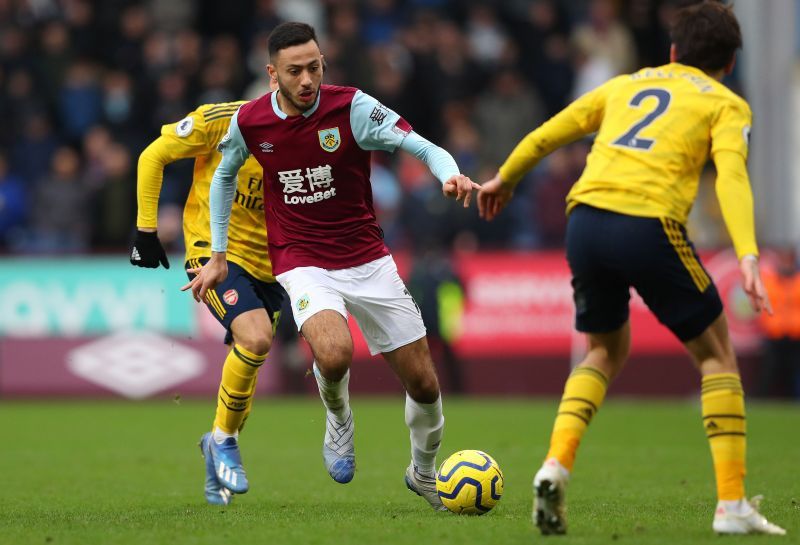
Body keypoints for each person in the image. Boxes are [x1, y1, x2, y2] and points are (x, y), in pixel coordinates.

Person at [478, 1, 785, 537]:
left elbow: (554, 131)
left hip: (585, 222)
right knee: (716, 355)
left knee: (603, 349)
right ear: (730, 63)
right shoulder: (727, 103)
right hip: (647, 223)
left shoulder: (627, 83)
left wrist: (505, 177)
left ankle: (555, 465)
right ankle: (732, 504)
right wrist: (749, 255)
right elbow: (732, 175)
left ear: (672, 51)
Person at [184, 22, 479, 510]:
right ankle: (339, 416)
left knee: (424, 385)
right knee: (335, 351)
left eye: (315, 67)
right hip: (301, 260)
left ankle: (423, 473)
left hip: (368, 259)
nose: (307, 80)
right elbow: (223, 177)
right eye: (294, 71)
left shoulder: (353, 108)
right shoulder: (252, 121)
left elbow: (423, 146)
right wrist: (218, 255)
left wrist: (450, 174)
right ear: (272, 74)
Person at [131, 81, 285, 507]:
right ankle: (222, 442)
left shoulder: (309, 135)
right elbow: (153, 154)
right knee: (255, 339)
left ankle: (217, 442)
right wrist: (146, 228)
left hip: (276, 268)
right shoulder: (220, 120)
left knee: (248, 359)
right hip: (213, 255)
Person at [757, 246, 800, 399]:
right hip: (775, 334)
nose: (785, 265)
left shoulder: (797, 282)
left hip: (796, 335)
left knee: (794, 371)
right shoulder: (770, 281)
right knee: (770, 370)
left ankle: (794, 400)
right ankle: (762, 399)